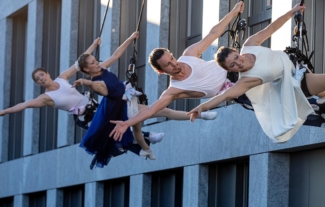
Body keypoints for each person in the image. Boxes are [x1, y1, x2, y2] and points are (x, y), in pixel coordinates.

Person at [109, 2, 325, 142]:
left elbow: (212, 34)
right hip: (235, 90)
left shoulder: (189, 54)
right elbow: (152, 109)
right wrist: (127, 123)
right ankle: (324, 105)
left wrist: (232, 14)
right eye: (169, 65)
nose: (175, 65)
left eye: (172, 58)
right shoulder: (174, 90)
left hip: (234, 70)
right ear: (162, 72)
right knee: (276, 104)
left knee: (283, 73)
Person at [186, 4, 325, 143]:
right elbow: (222, 96)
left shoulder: (250, 45)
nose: (238, 63)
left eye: (236, 58)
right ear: (229, 71)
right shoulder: (246, 81)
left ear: (236, 52)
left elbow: (271, 29)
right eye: (233, 66)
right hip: (295, 83)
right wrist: (200, 108)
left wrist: (290, 13)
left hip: (295, 64)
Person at [0, 38, 162, 162]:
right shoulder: (45, 98)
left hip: (95, 106)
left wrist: (93, 45)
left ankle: (143, 144)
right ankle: (146, 140)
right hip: (86, 116)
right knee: (112, 130)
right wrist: (6, 111)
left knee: (120, 116)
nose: (41, 78)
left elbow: (79, 63)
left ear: (48, 74)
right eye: (38, 79)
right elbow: (25, 104)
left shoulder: (62, 78)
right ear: (38, 83)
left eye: (42, 75)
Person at [74, 31, 217, 166]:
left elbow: (116, 55)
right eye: (93, 63)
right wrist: (85, 82)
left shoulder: (102, 67)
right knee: (159, 113)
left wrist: (130, 39)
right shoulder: (96, 82)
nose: (97, 63)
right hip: (119, 106)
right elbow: (95, 85)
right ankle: (198, 116)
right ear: (87, 70)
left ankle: (146, 149)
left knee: (141, 124)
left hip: (127, 99)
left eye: (95, 59)